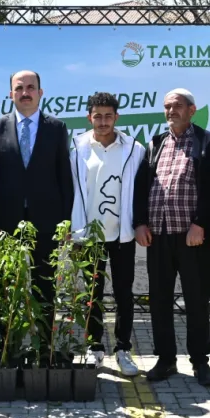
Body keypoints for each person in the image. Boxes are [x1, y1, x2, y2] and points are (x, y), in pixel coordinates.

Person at [134, 89, 210, 386]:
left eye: (177, 106)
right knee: (159, 300)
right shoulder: (155, 143)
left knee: (197, 301)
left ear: (192, 110)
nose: (171, 111)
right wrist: (140, 223)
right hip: (158, 236)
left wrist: (200, 224)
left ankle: (200, 361)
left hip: (192, 237)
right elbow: (142, 187)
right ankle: (166, 359)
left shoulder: (206, 141)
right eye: (167, 107)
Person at [0, 70, 73, 330]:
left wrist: (66, 221)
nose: (25, 93)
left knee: (45, 286)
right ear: (10, 94)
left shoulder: (56, 127)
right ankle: (7, 345)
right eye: (19, 88)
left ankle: (44, 346)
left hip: (47, 222)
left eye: (31, 87)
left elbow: (64, 177)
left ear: (40, 93)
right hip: (6, 223)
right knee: (6, 285)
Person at [68, 92, 148, 377]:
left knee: (124, 293)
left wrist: (140, 223)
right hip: (89, 235)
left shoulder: (134, 149)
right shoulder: (76, 148)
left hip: (122, 234)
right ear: (89, 117)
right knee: (93, 294)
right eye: (97, 116)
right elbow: (70, 190)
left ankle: (123, 349)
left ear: (117, 117)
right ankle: (95, 347)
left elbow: (142, 191)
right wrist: (71, 228)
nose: (103, 122)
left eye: (108, 116)